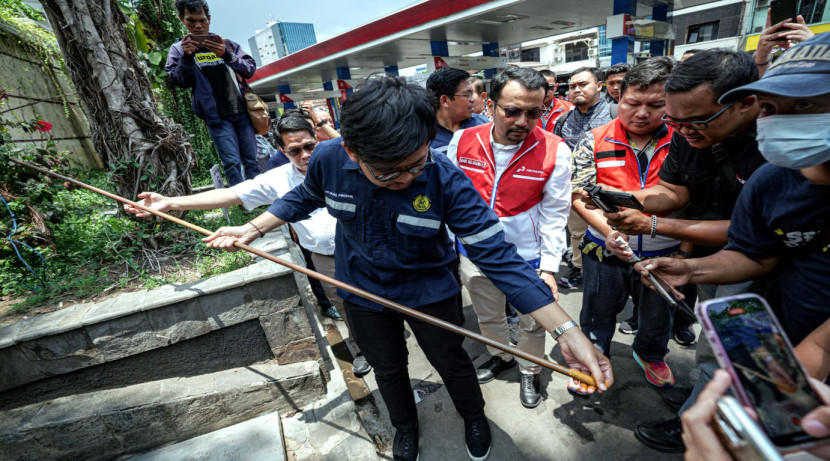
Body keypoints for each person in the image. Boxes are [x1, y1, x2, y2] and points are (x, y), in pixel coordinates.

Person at [200, 74, 613, 461]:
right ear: (352, 150)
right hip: (362, 292)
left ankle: (473, 418)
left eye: (415, 164)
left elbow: (499, 259)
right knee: (388, 368)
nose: (405, 178)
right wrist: (252, 228)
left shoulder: (445, 179)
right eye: (387, 172)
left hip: (429, 293)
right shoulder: (327, 157)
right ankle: (404, 425)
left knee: (451, 362)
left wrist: (568, 331)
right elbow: (303, 198)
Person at [597, 49, 767, 453]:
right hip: (712, 261)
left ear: (746, 104)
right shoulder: (690, 134)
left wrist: (655, 225)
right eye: (674, 121)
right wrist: (631, 201)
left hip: (760, 269)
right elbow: (674, 191)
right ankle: (701, 397)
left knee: (742, 360)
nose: (684, 131)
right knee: (716, 345)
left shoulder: (773, 147)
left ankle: (703, 423)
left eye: (697, 122)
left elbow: (754, 231)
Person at [124, 114, 372, 376]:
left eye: (310, 146)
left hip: (364, 246)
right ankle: (364, 350)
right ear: (282, 150)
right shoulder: (277, 179)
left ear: (317, 139)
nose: (305, 155)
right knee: (347, 306)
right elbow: (231, 194)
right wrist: (171, 203)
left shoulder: (343, 161)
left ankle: (390, 334)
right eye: (295, 150)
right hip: (325, 257)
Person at [447, 67, 571, 408]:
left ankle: (530, 370)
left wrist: (548, 267)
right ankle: (500, 356)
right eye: (512, 110)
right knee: (488, 315)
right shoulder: (463, 140)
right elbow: (450, 197)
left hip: (526, 258)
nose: (523, 121)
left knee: (532, 323)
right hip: (474, 253)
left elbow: (556, 215)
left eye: (534, 112)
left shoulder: (555, 150)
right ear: (490, 105)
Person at [569, 57, 677, 393]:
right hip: (604, 247)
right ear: (619, 99)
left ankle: (651, 353)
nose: (642, 113)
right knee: (597, 310)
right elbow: (578, 195)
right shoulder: (594, 139)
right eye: (633, 103)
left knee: (658, 311)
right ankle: (593, 356)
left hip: (664, 249)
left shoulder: (684, 141)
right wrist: (609, 232)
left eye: (656, 105)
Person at [166, 0, 259, 187]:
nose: (198, 26)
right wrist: (186, 57)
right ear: (181, 20)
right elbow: (179, 81)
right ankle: (242, 202)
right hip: (216, 117)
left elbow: (249, 69)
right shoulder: (179, 49)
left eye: (202, 20)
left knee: (252, 160)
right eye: (191, 21)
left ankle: (260, 198)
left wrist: (227, 55)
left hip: (242, 111)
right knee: (231, 162)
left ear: (209, 19)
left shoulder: (227, 45)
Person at [553, 67, 615, 289]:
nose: (576, 89)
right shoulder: (564, 119)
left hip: (610, 190)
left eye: (583, 84)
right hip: (576, 192)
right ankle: (579, 269)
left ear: (599, 85)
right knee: (578, 233)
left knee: (614, 232)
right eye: (572, 86)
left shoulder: (614, 114)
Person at [426, 67, 490, 154]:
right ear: (445, 100)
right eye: (467, 95)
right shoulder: (424, 137)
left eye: (472, 93)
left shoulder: (483, 124)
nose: (472, 99)